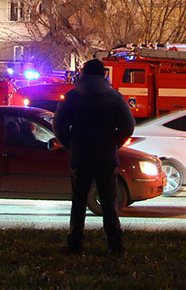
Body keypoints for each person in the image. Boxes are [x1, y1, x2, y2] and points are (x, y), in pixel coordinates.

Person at [54, 58, 136, 254]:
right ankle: (114, 244)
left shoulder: (72, 97)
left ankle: (75, 243)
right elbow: (128, 126)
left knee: (79, 202)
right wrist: (114, 143)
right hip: (105, 156)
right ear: (103, 75)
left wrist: (71, 145)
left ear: (83, 74)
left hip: (80, 156)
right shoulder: (115, 98)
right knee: (109, 202)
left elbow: (59, 126)